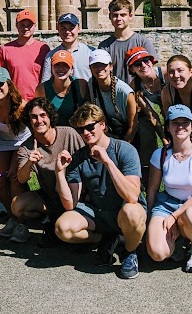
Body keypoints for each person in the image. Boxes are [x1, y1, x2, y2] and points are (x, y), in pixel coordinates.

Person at [55, 103, 147, 279]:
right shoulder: (79, 157)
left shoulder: (125, 150)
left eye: (90, 127)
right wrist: (60, 172)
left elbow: (132, 196)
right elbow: (70, 205)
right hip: (99, 212)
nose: (86, 133)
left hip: (125, 210)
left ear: (103, 125)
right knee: (63, 228)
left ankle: (129, 251)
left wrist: (108, 162)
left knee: (132, 213)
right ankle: (105, 238)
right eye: (81, 130)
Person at [144, 105, 192, 273]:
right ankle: (178, 242)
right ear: (168, 127)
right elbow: (153, 188)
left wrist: (174, 217)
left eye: (185, 122)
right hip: (166, 204)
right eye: (175, 122)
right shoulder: (160, 154)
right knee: (157, 253)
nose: (180, 127)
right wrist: (149, 217)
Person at [13, 97, 84, 244]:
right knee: (18, 206)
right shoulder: (26, 147)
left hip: (75, 193)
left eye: (43, 115)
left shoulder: (68, 134)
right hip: (49, 196)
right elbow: (21, 178)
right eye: (33, 117)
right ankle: (50, 216)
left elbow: (87, 161)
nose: (39, 121)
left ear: (50, 117)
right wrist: (29, 163)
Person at [0, 67, 31, 240]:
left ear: (9, 84)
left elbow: (32, 135)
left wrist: (14, 163)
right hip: (1, 141)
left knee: (14, 178)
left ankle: (22, 223)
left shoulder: (21, 105)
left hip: (23, 141)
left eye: (0, 83)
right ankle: (13, 218)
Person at [123, 46, 166, 178]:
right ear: (132, 69)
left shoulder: (166, 74)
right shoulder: (135, 87)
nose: (143, 65)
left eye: (146, 60)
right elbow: (152, 115)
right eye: (137, 64)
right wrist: (164, 139)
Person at [98, 0, 158, 87]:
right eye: (115, 15)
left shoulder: (143, 42)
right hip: (115, 93)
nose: (119, 19)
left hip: (140, 93)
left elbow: (152, 70)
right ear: (109, 16)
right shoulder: (104, 46)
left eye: (123, 15)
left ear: (130, 16)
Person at [0, 9, 49, 100]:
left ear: (35, 26)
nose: (26, 28)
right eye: (22, 25)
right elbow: (0, 78)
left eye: (29, 25)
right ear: (16, 26)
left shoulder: (43, 49)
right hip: (14, 101)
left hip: (37, 102)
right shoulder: (5, 49)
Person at [88, 49, 136, 141]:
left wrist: (125, 146)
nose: (99, 69)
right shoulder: (91, 84)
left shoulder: (125, 91)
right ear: (90, 68)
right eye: (95, 66)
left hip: (127, 136)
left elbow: (133, 125)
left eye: (103, 65)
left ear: (111, 67)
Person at [33, 49, 91, 125]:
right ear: (51, 68)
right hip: (54, 133)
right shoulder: (42, 89)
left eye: (65, 65)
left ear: (72, 70)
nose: (61, 69)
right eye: (57, 65)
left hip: (77, 132)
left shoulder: (81, 85)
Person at [40, 12, 93, 83]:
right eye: (63, 28)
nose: (67, 32)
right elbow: (45, 84)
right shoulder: (51, 56)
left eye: (71, 28)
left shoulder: (90, 53)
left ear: (79, 28)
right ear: (58, 29)